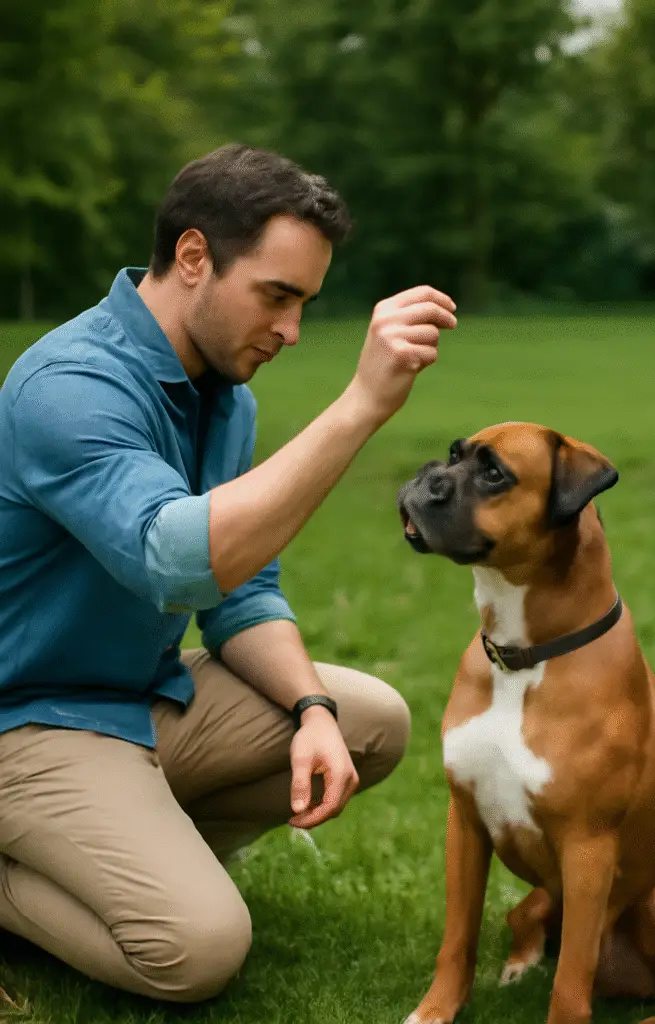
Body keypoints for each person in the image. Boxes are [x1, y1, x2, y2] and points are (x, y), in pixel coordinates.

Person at [0, 143, 457, 1002]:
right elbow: (175, 561)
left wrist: (310, 708)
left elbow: (240, 589)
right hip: (24, 722)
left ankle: (116, 852)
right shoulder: (69, 386)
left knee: (368, 719)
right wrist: (360, 406)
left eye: (304, 305)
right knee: (197, 950)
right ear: (194, 257)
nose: (289, 331)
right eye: (275, 296)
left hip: (137, 698)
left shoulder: (224, 395)